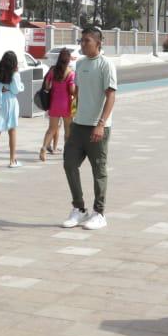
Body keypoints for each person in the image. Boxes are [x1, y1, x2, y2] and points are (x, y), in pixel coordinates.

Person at [63, 27, 118, 230]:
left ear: (98, 43)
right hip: (79, 125)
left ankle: (99, 213)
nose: (82, 44)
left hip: (98, 128)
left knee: (99, 171)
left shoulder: (106, 65)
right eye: (81, 40)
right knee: (69, 163)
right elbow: (77, 92)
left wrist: (101, 124)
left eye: (87, 41)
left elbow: (111, 95)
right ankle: (79, 209)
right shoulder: (80, 64)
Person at [39, 48, 77, 162]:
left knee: (51, 129)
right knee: (67, 130)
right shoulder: (70, 73)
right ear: (68, 60)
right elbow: (71, 90)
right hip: (66, 105)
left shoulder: (52, 71)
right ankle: (67, 152)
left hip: (54, 104)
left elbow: (46, 86)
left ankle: (44, 148)